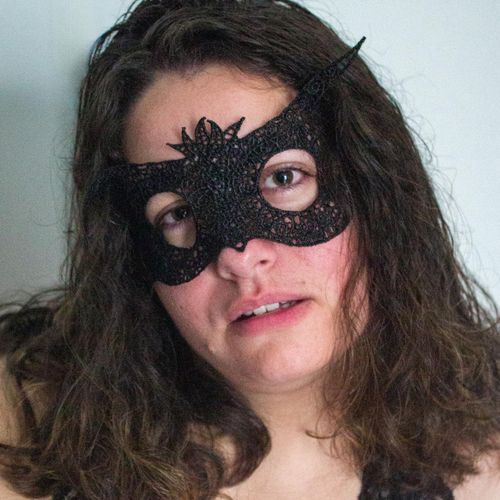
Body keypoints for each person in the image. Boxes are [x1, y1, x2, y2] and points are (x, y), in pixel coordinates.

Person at [1, 1, 499, 498]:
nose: (239, 258)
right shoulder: (24, 430)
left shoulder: (488, 450)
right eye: (179, 213)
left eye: (283, 178)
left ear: (374, 191)